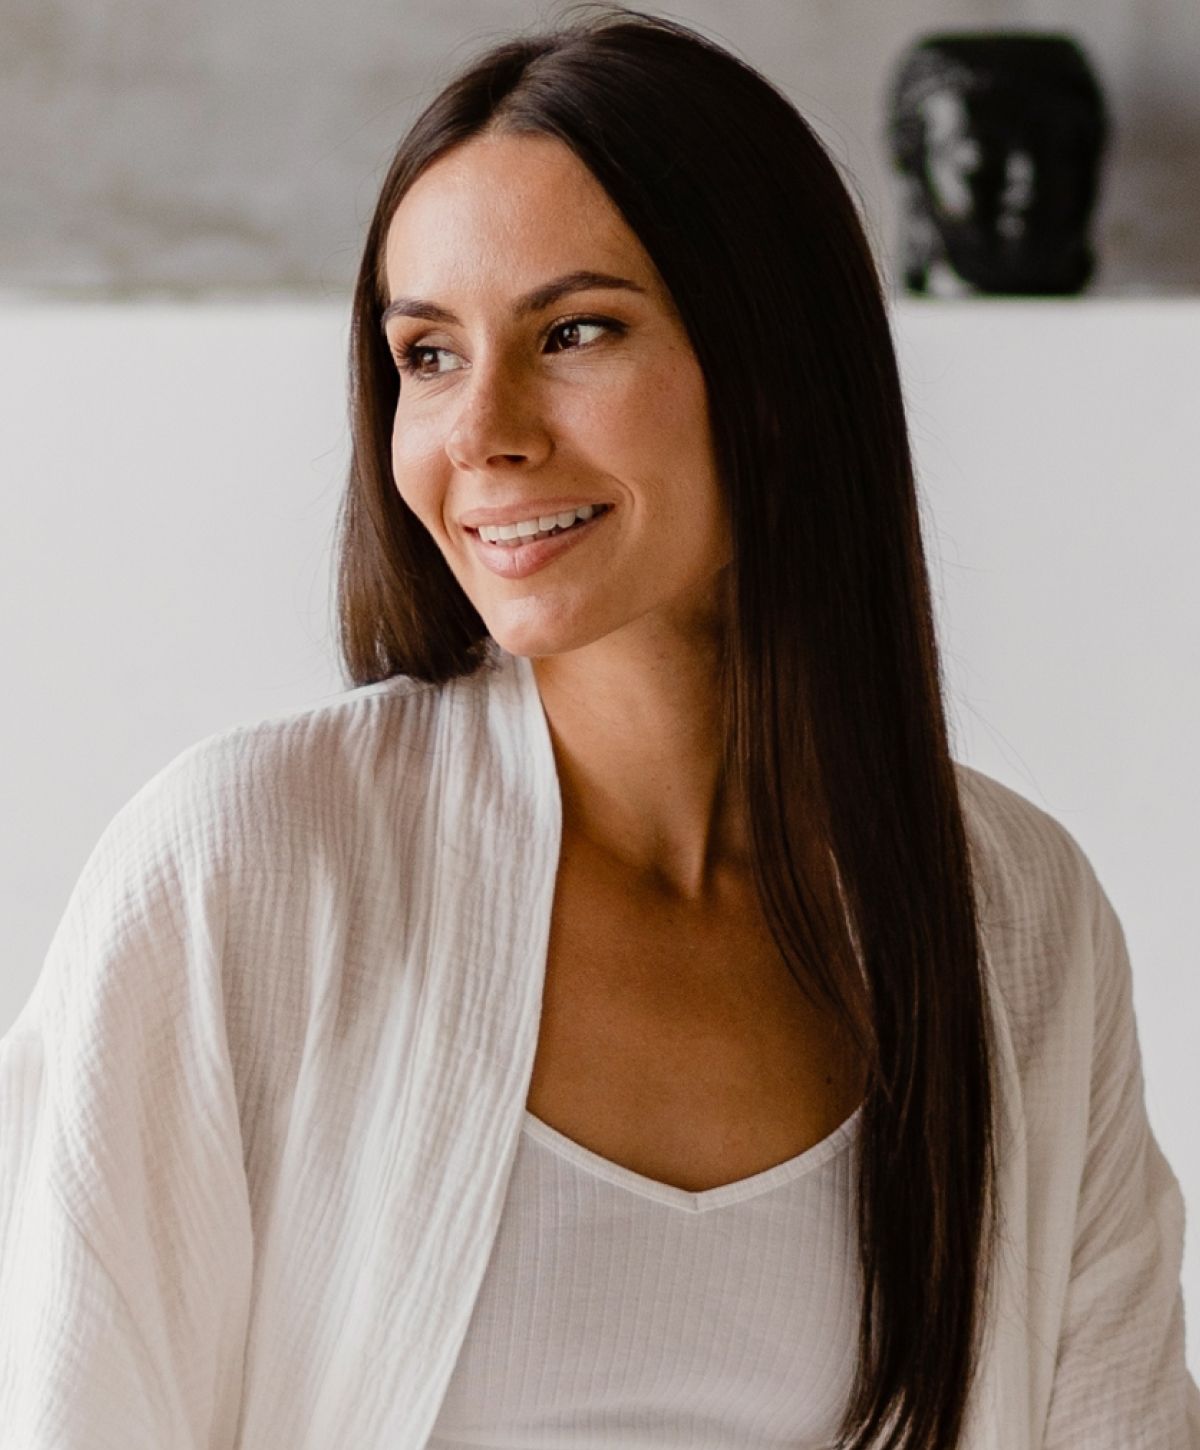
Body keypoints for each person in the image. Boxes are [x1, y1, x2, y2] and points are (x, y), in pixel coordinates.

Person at [1, 7, 1196, 1448]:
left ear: (769, 376)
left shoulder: (1022, 924)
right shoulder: (243, 870)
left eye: (575, 331)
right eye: (427, 354)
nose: (480, 430)